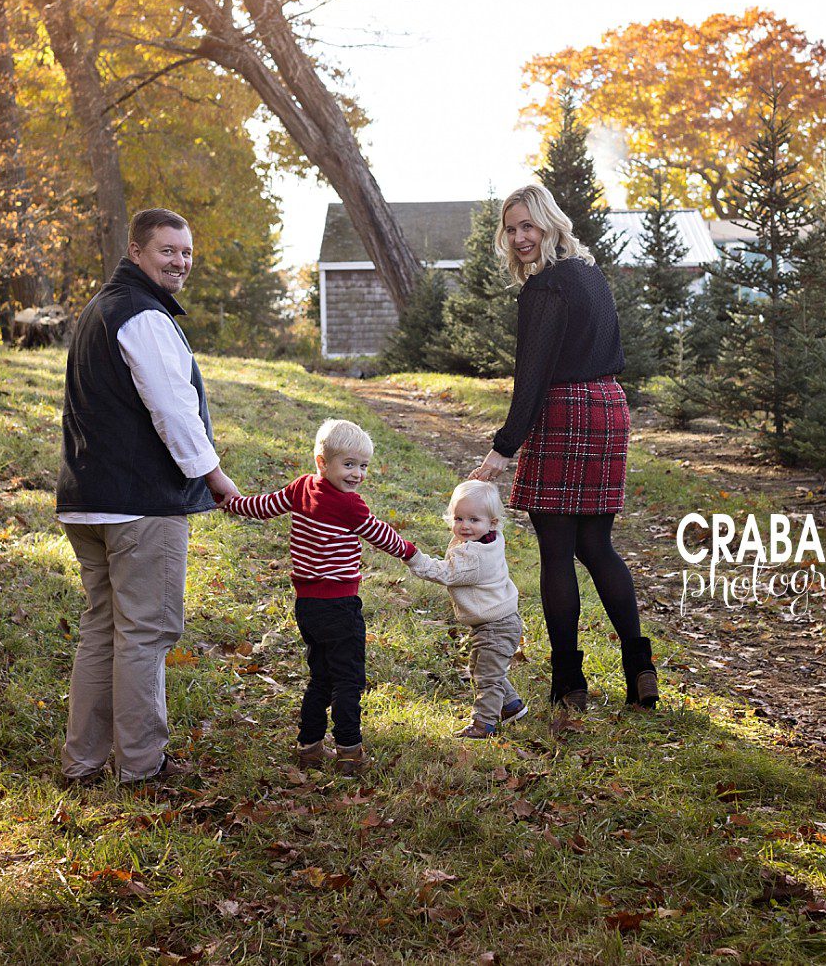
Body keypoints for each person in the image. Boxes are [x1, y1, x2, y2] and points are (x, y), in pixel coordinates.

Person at [54, 208, 239, 788]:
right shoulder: (142, 316)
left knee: (103, 630)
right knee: (144, 634)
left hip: (89, 499)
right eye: (167, 251)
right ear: (136, 252)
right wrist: (216, 479)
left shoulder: (101, 309)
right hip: (139, 506)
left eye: (186, 252)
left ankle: (83, 764)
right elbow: (173, 411)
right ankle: (141, 767)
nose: (180, 261)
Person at [468, 183, 659, 713]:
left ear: (549, 223)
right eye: (511, 229)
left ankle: (569, 683)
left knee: (557, 552)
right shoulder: (590, 274)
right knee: (597, 546)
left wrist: (502, 449)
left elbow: (531, 377)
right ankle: (640, 668)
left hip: (565, 412)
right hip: (609, 406)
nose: (519, 238)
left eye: (527, 226)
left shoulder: (545, 288)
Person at [221, 418, 418, 777]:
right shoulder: (349, 504)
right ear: (322, 462)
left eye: (363, 466)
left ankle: (309, 747)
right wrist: (411, 553)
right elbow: (380, 534)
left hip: (308, 606)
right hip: (340, 606)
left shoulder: (301, 487)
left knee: (321, 677)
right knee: (348, 680)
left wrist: (233, 503)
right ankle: (349, 751)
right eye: (349, 464)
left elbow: (263, 506)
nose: (357, 474)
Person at [405, 479, 528, 738]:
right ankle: (511, 706)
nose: (464, 526)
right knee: (480, 668)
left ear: (492, 523)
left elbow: (446, 573)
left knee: (487, 677)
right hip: (497, 620)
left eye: (474, 520)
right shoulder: (490, 539)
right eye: (458, 518)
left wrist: (414, 557)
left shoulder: (474, 557)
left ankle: (484, 724)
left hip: (496, 625)